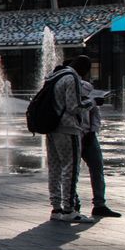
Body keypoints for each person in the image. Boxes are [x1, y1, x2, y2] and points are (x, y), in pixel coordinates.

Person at [71, 56, 121, 219]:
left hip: (88, 136)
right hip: (72, 135)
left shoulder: (85, 88)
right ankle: (73, 203)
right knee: (71, 172)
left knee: (97, 169)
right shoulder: (71, 86)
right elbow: (74, 108)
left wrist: (92, 132)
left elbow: (95, 114)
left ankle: (99, 204)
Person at [42, 56, 91, 223]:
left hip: (51, 127)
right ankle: (69, 209)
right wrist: (92, 102)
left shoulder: (54, 76)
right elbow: (73, 107)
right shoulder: (72, 78)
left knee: (54, 168)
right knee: (70, 168)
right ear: (83, 69)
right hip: (68, 129)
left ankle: (56, 208)